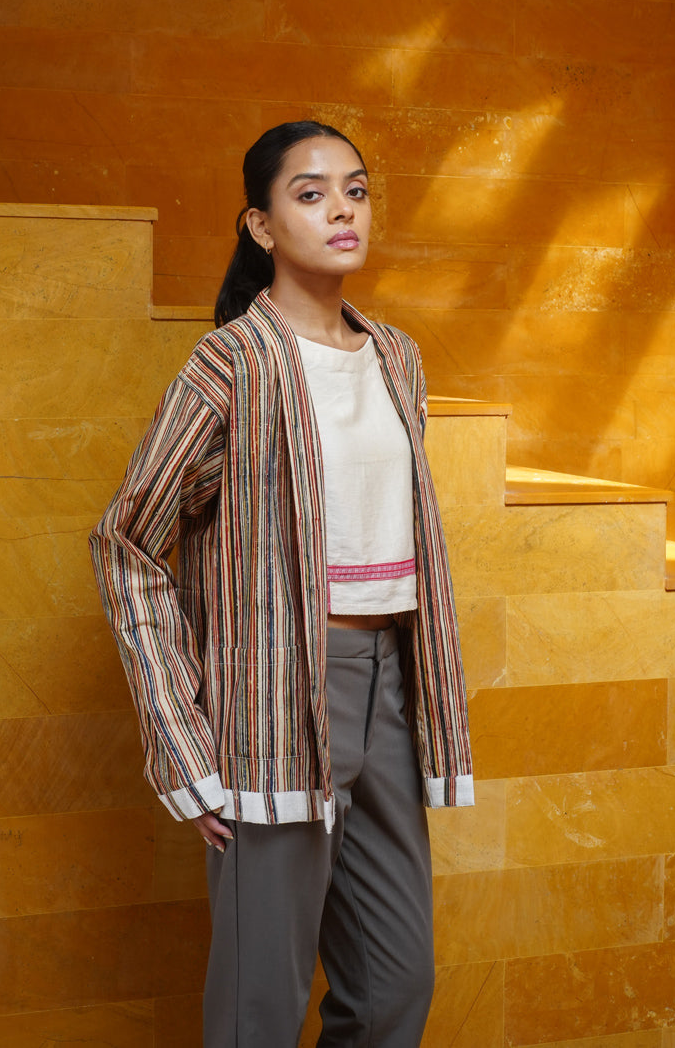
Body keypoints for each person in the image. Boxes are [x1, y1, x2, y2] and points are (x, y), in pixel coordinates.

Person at [89, 121, 473, 1047]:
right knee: (258, 1007)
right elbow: (127, 544)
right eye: (309, 194)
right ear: (259, 226)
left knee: (393, 988)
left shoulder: (397, 357)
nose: (341, 209)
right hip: (272, 704)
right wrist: (185, 743)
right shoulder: (230, 365)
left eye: (356, 189)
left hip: (390, 684)